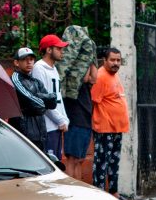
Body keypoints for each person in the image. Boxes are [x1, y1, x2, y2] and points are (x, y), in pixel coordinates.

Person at [90, 47, 130, 196]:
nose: (116, 63)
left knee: (114, 163)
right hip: (104, 128)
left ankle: (114, 193)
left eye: (118, 60)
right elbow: (94, 100)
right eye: (112, 60)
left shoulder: (114, 75)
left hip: (117, 128)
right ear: (104, 60)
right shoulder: (100, 76)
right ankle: (99, 195)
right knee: (101, 163)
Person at [9, 47, 57, 151]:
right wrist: (44, 99)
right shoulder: (15, 79)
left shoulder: (36, 82)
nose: (29, 62)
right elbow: (37, 105)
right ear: (16, 63)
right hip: (24, 134)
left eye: (31, 59)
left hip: (41, 133)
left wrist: (36, 97)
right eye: (24, 59)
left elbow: (53, 104)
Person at [31, 34, 70, 162]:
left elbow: (58, 97)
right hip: (47, 128)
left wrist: (64, 119)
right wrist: (60, 120)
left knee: (57, 163)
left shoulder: (53, 69)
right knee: (50, 163)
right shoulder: (38, 68)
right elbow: (42, 100)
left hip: (56, 126)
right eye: (58, 48)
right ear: (48, 50)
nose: (62, 51)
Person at [63, 62, 97, 182]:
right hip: (75, 120)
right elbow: (85, 77)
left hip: (85, 120)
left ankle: (77, 189)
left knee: (79, 160)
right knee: (72, 159)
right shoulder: (72, 75)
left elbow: (93, 78)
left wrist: (91, 59)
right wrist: (87, 59)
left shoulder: (86, 82)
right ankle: (70, 189)